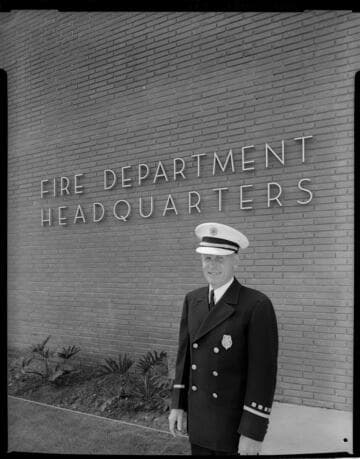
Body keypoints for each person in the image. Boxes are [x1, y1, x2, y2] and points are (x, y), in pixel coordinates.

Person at [168, 222, 278, 455]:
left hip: (233, 428)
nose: (212, 265)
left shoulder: (256, 305)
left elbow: (262, 375)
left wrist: (253, 431)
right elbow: (185, 358)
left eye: (220, 259)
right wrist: (178, 405)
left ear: (235, 261)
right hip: (198, 423)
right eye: (207, 258)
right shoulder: (193, 300)